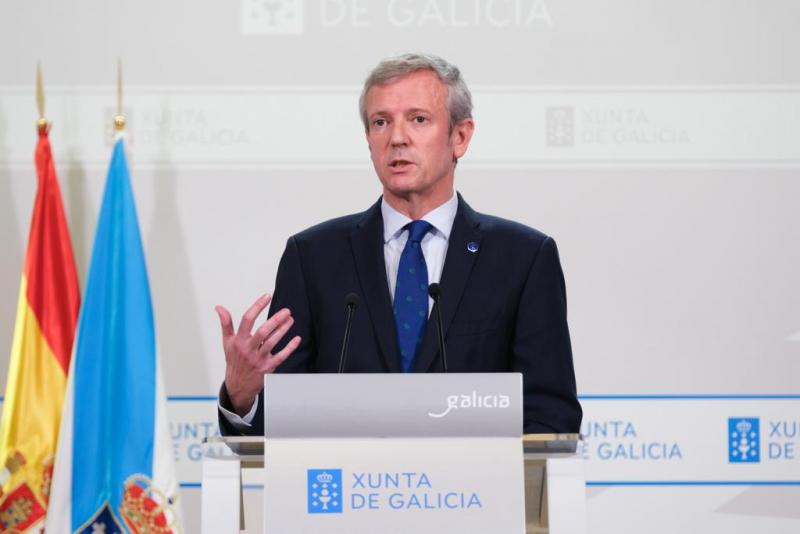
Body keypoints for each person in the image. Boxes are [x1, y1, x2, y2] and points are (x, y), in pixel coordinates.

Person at [217, 53, 581, 435]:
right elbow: (281, 416)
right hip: (350, 489)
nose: (397, 138)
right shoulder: (313, 258)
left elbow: (551, 416)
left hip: (471, 491)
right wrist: (242, 397)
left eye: (418, 119)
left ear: (460, 136)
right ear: (368, 140)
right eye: (381, 122)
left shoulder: (522, 258)